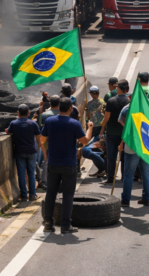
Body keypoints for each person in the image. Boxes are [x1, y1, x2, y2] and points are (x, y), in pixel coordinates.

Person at [40, 98, 94, 233]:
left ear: (58, 107)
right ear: (70, 108)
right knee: (68, 195)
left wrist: (47, 156)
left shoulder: (49, 121)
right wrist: (90, 128)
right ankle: (65, 225)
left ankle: (48, 223)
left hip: (53, 162)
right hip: (69, 164)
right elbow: (85, 141)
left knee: (50, 193)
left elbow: (42, 140)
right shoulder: (74, 124)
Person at [119, 101, 149, 207]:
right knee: (146, 174)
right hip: (145, 145)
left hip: (132, 144)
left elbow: (120, 120)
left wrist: (122, 140)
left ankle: (125, 200)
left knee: (128, 174)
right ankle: (147, 198)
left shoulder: (127, 108)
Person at [6, 104, 42, 201]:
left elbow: (8, 131)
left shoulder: (14, 123)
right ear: (28, 113)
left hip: (19, 151)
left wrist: (7, 131)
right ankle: (33, 195)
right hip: (31, 151)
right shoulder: (33, 124)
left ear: (18, 113)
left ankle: (24, 196)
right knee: (31, 173)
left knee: (21, 174)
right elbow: (38, 137)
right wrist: (38, 147)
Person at [102, 79, 130, 184]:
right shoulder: (129, 100)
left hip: (111, 133)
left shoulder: (111, 100)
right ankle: (124, 178)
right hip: (124, 133)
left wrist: (102, 129)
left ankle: (110, 178)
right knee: (124, 156)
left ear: (118, 88)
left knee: (111, 157)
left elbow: (106, 118)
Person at [37, 95, 61, 188]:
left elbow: (40, 126)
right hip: (61, 142)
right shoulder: (63, 113)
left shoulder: (45, 115)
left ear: (50, 103)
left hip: (47, 142)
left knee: (46, 161)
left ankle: (45, 181)